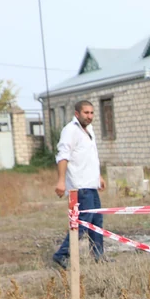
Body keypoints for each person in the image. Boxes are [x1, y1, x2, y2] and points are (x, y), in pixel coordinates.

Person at [52, 100, 107, 268]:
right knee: (83, 222)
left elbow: (90, 156)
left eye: (91, 113)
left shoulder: (89, 130)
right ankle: (62, 254)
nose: (89, 116)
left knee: (97, 220)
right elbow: (63, 156)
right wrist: (61, 181)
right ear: (77, 113)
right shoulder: (70, 131)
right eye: (86, 113)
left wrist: (99, 176)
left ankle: (98, 256)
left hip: (91, 183)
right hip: (79, 185)